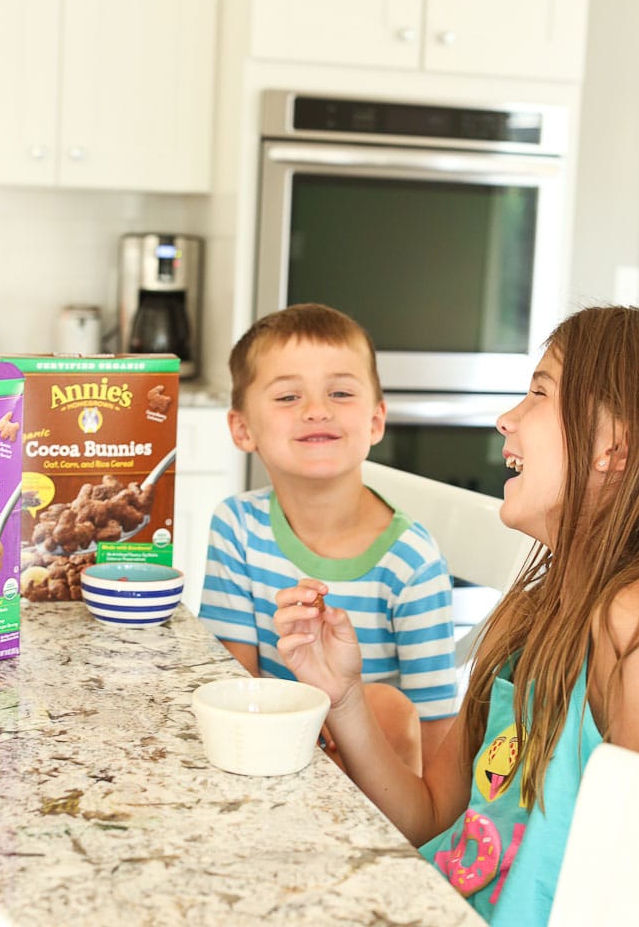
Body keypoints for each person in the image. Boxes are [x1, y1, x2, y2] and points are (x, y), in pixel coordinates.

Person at [274, 304, 639, 925]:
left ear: (616, 447)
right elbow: (428, 819)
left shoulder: (628, 632)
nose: (507, 419)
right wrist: (343, 696)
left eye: (539, 393)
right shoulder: (528, 616)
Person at [198, 302, 458, 772]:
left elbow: (435, 733)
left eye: (340, 393)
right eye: (287, 397)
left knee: (383, 703)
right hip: (267, 761)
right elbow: (232, 680)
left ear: (376, 421)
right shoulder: (237, 526)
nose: (317, 411)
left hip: (375, 789)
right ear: (242, 428)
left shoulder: (411, 562)